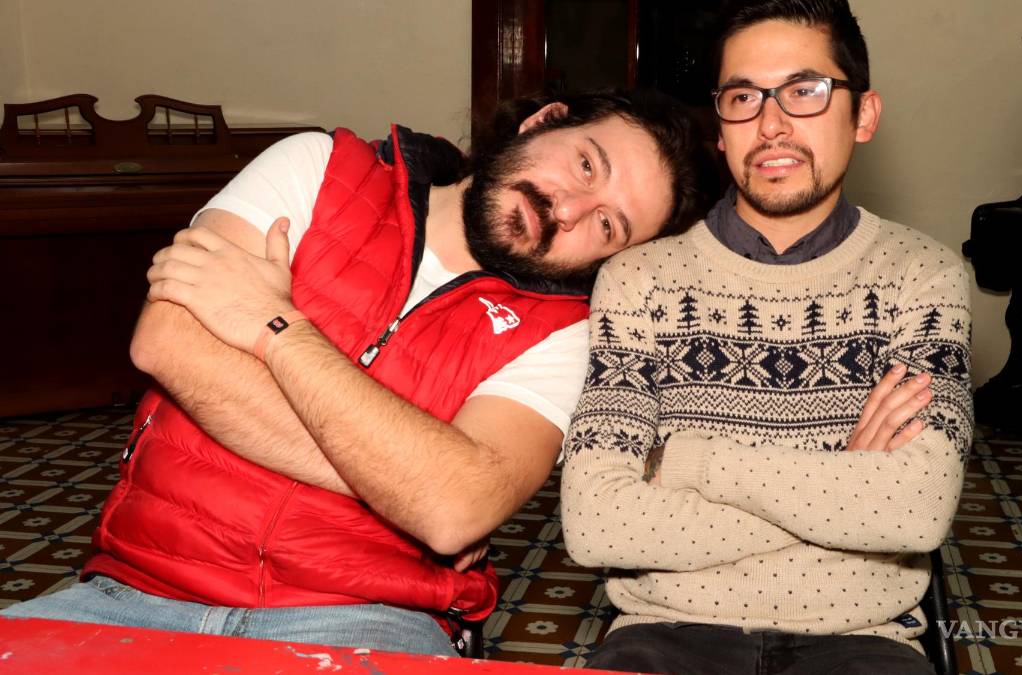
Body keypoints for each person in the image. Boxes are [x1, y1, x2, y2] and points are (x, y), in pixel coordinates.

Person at [1, 90, 712, 656]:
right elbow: (169, 341)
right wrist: (410, 480)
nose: (571, 208)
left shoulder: (565, 334)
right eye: (586, 165)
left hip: (369, 619)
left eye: (609, 225)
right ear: (543, 120)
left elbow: (456, 509)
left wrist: (275, 326)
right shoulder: (318, 166)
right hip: (136, 588)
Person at [560, 2, 973, 673]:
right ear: (720, 128)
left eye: (805, 91)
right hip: (663, 634)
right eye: (744, 97)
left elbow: (915, 510)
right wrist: (845, 482)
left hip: (863, 640)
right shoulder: (637, 280)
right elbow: (596, 524)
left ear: (864, 115)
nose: (771, 124)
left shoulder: (922, 276)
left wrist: (687, 464)